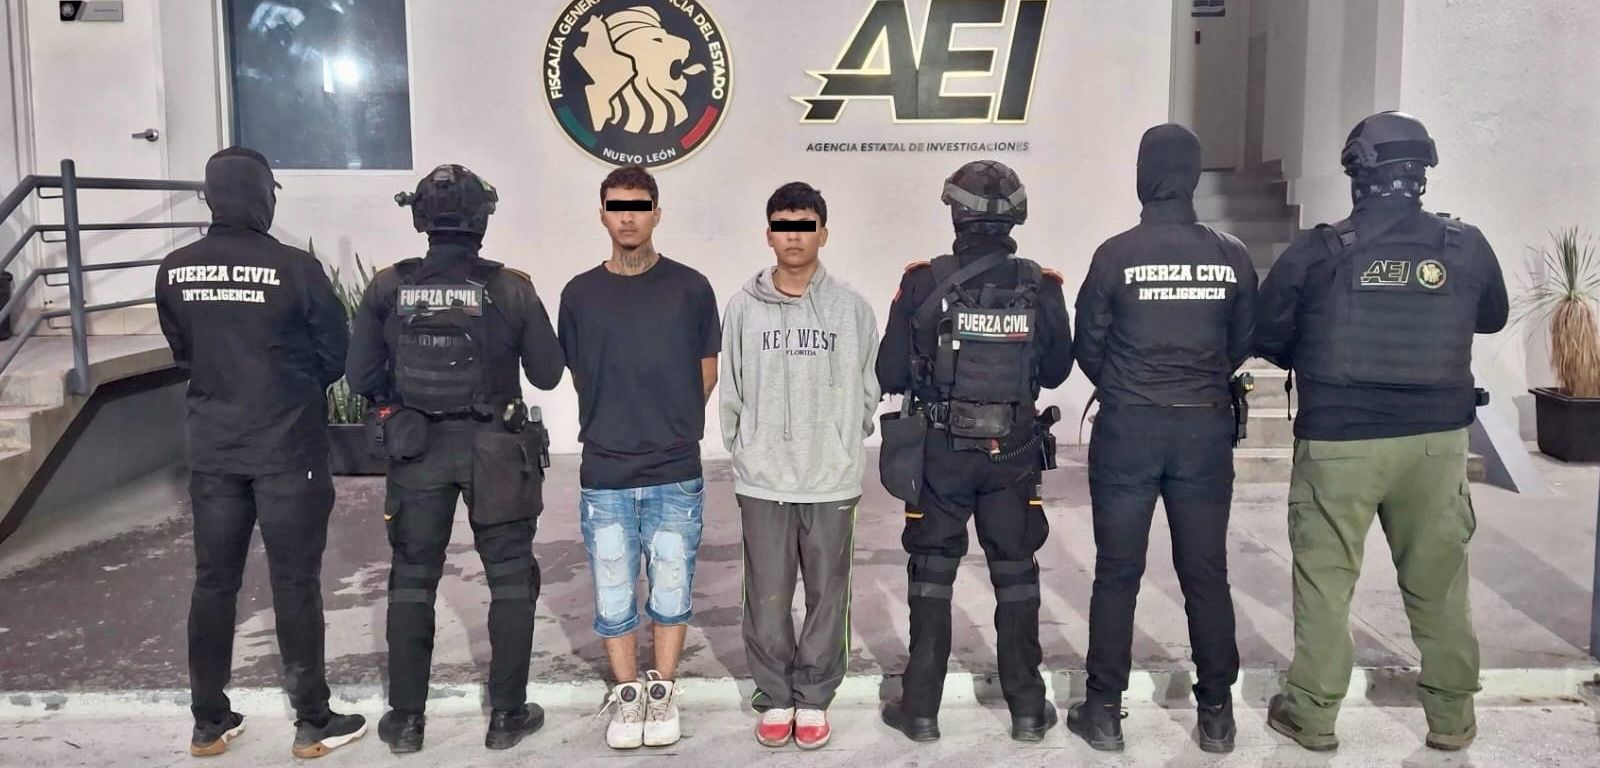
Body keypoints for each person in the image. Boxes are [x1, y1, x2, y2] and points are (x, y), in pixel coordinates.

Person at [1255, 111, 1509, 753]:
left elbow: (1268, 334)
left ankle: (1313, 715)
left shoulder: (1318, 251)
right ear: (1421, 174)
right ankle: (1452, 720)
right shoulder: (1464, 244)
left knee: (1326, 582)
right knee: (1440, 584)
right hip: (1435, 445)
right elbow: (1492, 317)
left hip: (1339, 442)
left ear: (1356, 173)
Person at [155, 146, 365, 759]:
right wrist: (287, 388)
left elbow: (184, 352)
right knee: (295, 583)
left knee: (213, 583)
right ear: (262, 195)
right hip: (287, 449)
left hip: (214, 449)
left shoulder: (174, 269)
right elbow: (335, 355)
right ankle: (313, 721)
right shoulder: (296, 268)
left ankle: (208, 722)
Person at [346, 164, 564, 754]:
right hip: (498, 450)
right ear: (482, 220)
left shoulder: (387, 287)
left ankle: (406, 722)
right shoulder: (511, 288)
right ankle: (507, 716)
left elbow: (360, 376)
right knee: (511, 578)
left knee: (412, 580)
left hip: (417, 451)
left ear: (420, 218)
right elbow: (547, 372)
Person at [1067, 123, 1256, 754]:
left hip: (1129, 425)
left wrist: (1129, 385)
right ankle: (1217, 715)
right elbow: (1241, 342)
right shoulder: (1231, 255)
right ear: (1193, 176)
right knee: (1206, 572)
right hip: (1203, 426)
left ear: (1143, 175)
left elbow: (1088, 346)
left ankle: (1103, 712)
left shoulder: (1115, 254)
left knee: (1117, 572)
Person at [876, 160, 1073, 743]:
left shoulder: (922, 282)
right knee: (1015, 574)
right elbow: (1057, 371)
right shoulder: (1042, 285)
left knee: (932, 573)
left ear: (956, 214)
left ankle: (920, 710)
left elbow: (889, 370)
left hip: (941, 453)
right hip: (1013, 454)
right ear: (1016, 216)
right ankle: (1028, 710)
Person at [558, 164, 720, 750]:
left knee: (672, 588)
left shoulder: (691, 288)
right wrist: (617, 420)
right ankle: (628, 694)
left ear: (657, 212)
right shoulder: (579, 294)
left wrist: (670, 423)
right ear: (602, 213)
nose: (628, 218)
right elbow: (581, 375)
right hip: (605, 469)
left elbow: (706, 371)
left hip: (674, 468)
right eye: (617, 207)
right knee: (612, 591)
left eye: (639, 206)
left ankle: (663, 690)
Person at [720, 182, 880, 750]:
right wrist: (746, 448)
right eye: (783, 226)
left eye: (804, 225)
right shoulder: (743, 307)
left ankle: (812, 696)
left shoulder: (851, 308)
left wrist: (844, 440)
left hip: (829, 478)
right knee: (766, 597)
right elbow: (732, 387)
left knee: (827, 596)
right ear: (769, 234)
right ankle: (775, 695)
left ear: (823, 234)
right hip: (763, 479)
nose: (794, 236)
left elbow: (867, 387)